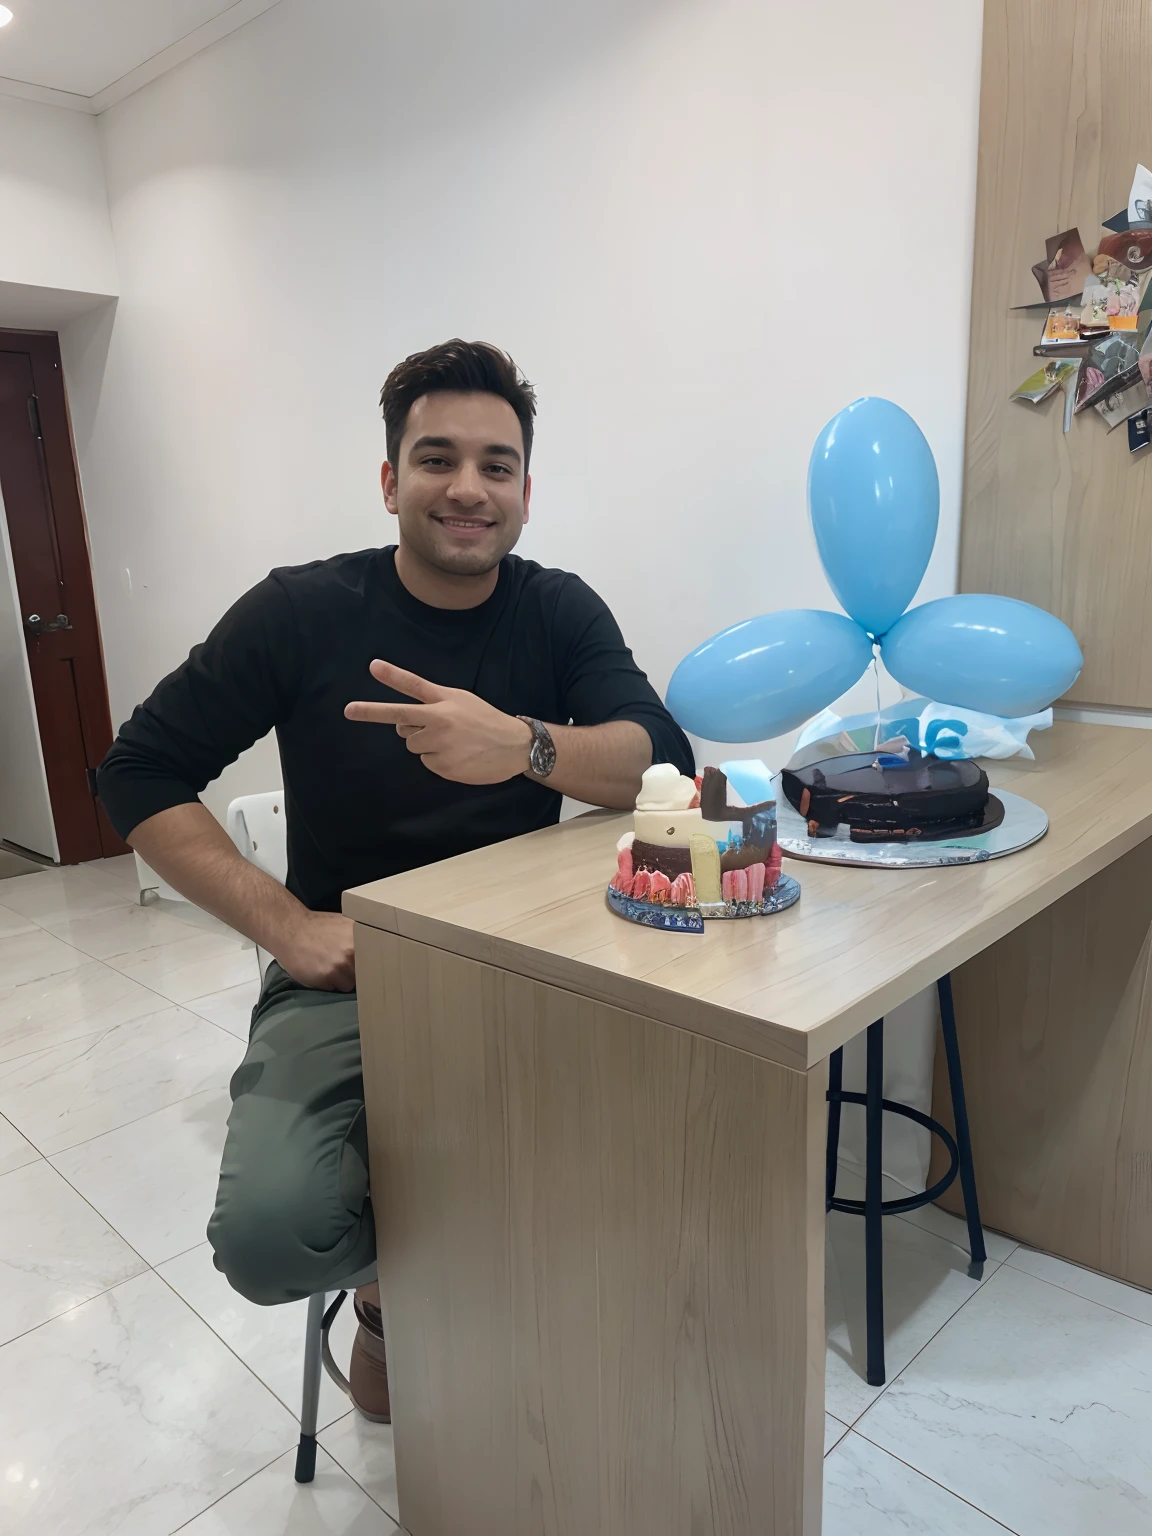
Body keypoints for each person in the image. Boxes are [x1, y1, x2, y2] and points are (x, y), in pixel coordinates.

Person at [97, 338, 695, 1424]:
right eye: (437, 459)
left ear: (523, 492)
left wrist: (523, 744)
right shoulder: (300, 611)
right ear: (390, 481)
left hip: (533, 966)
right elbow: (136, 773)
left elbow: (663, 762)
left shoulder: (558, 610)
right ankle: (390, 1294)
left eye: (496, 465)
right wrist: (288, 928)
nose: (468, 487)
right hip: (347, 977)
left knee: (649, 1170)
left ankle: (522, 1305)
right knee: (271, 1238)